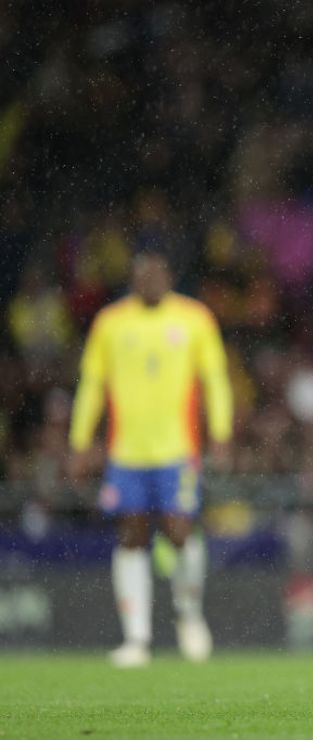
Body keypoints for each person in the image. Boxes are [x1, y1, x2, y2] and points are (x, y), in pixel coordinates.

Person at [69, 248, 233, 667]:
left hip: (178, 451)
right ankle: (136, 639)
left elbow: (214, 379)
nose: (151, 281)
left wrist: (222, 434)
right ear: (133, 278)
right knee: (131, 535)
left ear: (170, 276)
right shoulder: (110, 322)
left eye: (158, 273)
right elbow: (92, 382)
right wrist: (80, 439)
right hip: (126, 453)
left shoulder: (194, 318)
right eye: (144, 274)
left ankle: (189, 615)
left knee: (179, 532)